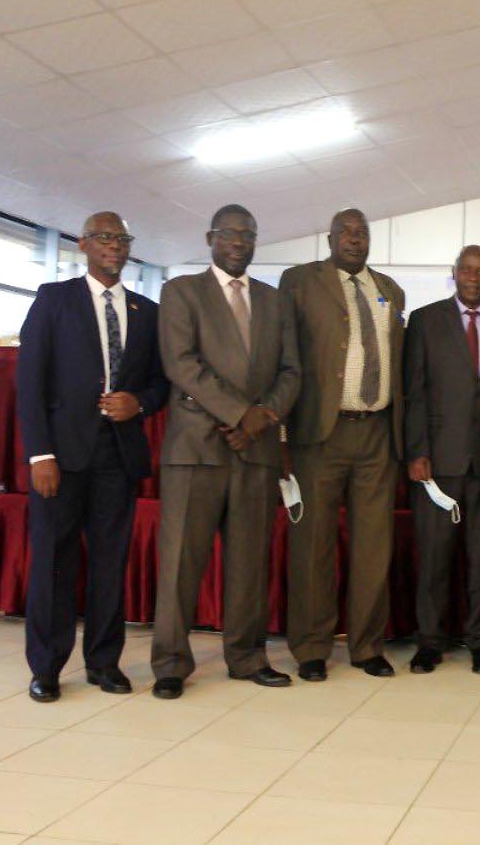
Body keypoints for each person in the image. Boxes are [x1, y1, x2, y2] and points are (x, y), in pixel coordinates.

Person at [149, 204, 299, 700]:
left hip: (254, 452)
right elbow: (182, 364)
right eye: (230, 233)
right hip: (196, 449)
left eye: (248, 235)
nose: (239, 241)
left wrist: (260, 419)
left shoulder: (275, 301)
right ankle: (171, 662)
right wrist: (240, 414)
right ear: (210, 237)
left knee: (249, 563)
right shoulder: (181, 292)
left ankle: (247, 656)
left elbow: (291, 373)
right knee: (180, 565)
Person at [17, 212, 168, 702]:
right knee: (53, 564)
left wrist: (139, 403)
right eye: (105, 237)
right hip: (60, 455)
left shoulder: (148, 312)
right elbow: (30, 382)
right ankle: (46, 667)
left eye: (123, 238)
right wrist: (40, 454)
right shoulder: (53, 300)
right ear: (83, 244)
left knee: (109, 563)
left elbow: (161, 383)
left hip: (118, 455)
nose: (115, 246)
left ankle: (104, 663)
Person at [280, 208, 406, 681]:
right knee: (313, 543)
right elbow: (284, 358)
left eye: (362, 232)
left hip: (377, 431)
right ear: (330, 237)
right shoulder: (300, 281)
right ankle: (311, 648)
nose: (355, 239)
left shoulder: (390, 291)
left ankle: (367, 645)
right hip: (320, 432)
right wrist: (282, 435)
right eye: (346, 232)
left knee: (374, 545)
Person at [404, 245, 480, 675]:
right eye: (467, 269)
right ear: (454, 274)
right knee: (434, 556)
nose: (474, 276)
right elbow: (414, 391)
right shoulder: (425, 320)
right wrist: (417, 450)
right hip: (438, 462)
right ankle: (430, 641)